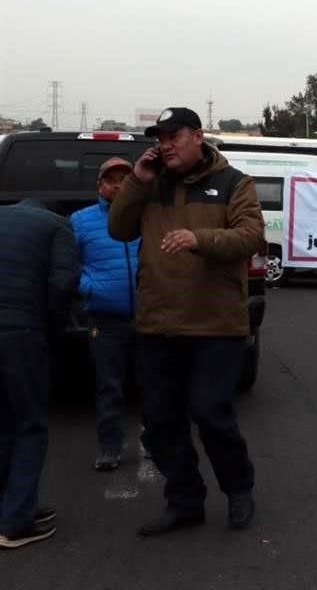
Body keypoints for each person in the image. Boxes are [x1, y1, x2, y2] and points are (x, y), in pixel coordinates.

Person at [108, 107, 265, 537]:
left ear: (197, 136)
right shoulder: (150, 183)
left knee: (210, 412)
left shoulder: (234, 183)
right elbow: (118, 229)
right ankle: (184, 501)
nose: (165, 144)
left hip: (215, 325)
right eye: (160, 137)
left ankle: (238, 489)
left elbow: (251, 236)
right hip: (158, 324)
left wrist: (200, 238)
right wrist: (137, 180)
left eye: (174, 135)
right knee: (160, 421)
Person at [0, 199, 79, 549]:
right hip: (21, 334)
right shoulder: (58, 226)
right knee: (29, 425)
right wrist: (51, 325)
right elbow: (63, 282)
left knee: (2, 424)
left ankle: (11, 506)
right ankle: (15, 523)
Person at [70, 158, 143, 471]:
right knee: (109, 385)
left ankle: (156, 441)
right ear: (99, 185)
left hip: (149, 317)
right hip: (104, 318)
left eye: (124, 179)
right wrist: (90, 287)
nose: (117, 184)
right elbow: (68, 265)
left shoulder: (147, 216)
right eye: (110, 179)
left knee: (153, 383)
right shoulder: (80, 221)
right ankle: (109, 447)